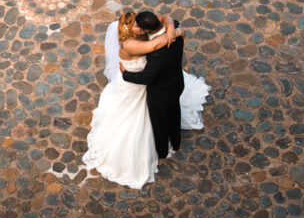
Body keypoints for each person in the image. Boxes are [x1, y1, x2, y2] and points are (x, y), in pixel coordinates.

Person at [83, 11, 209, 188]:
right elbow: (159, 39)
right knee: (165, 112)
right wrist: (176, 31)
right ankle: (171, 142)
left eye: (137, 24)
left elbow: (164, 19)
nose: (136, 27)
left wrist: (172, 29)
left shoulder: (152, 42)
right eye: (133, 25)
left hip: (153, 86)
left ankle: (163, 149)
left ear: (144, 28)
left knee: (159, 118)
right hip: (160, 85)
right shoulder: (131, 45)